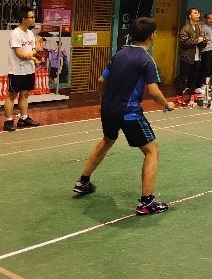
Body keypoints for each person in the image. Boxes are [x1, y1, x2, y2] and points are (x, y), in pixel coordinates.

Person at [72, 17, 175, 215]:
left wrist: (104, 101)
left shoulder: (119, 54)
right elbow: (154, 92)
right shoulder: (146, 60)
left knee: (107, 140)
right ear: (151, 35)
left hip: (108, 109)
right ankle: (147, 202)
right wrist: (166, 104)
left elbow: (101, 80)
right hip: (129, 112)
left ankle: (83, 181)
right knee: (152, 150)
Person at [2, 7, 42, 132]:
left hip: (28, 69)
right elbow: (20, 54)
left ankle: (23, 118)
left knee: (25, 94)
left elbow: (32, 51)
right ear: (24, 19)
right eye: (31, 17)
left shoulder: (30, 33)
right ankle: (8, 121)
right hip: (16, 70)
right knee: (12, 95)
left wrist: (33, 56)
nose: (34, 19)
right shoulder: (15, 34)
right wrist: (33, 54)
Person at [175, 7, 204, 94]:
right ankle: (180, 94)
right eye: (195, 13)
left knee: (193, 77)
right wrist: (196, 41)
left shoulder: (199, 27)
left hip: (196, 56)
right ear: (190, 16)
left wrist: (204, 42)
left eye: (198, 13)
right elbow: (183, 43)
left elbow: (200, 41)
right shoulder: (185, 28)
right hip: (187, 56)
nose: (197, 15)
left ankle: (191, 93)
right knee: (183, 76)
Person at [196, 12, 212, 93]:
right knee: (205, 68)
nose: (211, 20)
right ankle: (199, 85)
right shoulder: (204, 28)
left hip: (210, 49)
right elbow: (201, 40)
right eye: (209, 18)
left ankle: (205, 85)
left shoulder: (209, 28)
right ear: (205, 19)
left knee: (208, 69)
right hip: (205, 50)